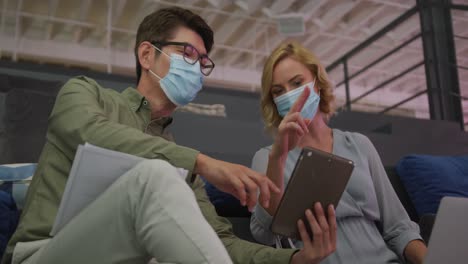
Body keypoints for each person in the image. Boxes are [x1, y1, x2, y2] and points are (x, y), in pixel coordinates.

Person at [2, 7, 335, 264]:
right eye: (188, 54)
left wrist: (293, 258)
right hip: (42, 253)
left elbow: (218, 243)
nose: (197, 67)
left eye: (204, 61)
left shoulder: (178, 158)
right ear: (147, 55)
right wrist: (203, 163)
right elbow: (91, 132)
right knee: (155, 173)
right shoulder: (84, 93)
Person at [250, 41, 428, 264]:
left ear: (317, 83)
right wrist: (279, 156)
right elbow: (264, 232)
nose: (290, 95)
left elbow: (399, 228)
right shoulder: (268, 158)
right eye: (278, 91)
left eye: (297, 83)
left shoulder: (359, 144)